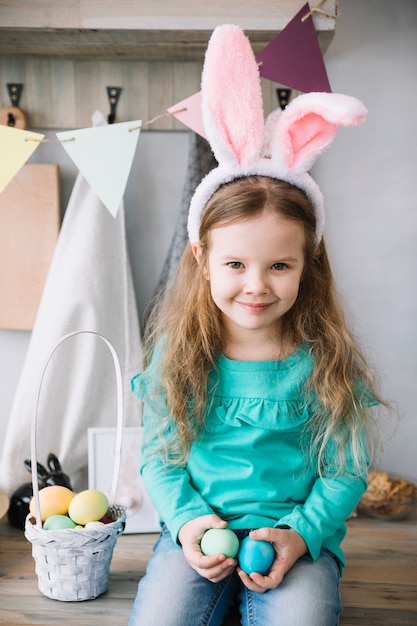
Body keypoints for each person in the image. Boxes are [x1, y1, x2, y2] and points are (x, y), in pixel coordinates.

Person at [128, 25, 382, 626]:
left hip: (295, 538)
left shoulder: (323, 357)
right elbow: (159, 460)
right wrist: (190, 524)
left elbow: (344, 469)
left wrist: (301, 535)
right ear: (202, 259)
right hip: (199, 531)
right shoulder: (180, 352)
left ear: (308, 262)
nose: (256, 285)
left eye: (279, 266)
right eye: (235, 264)